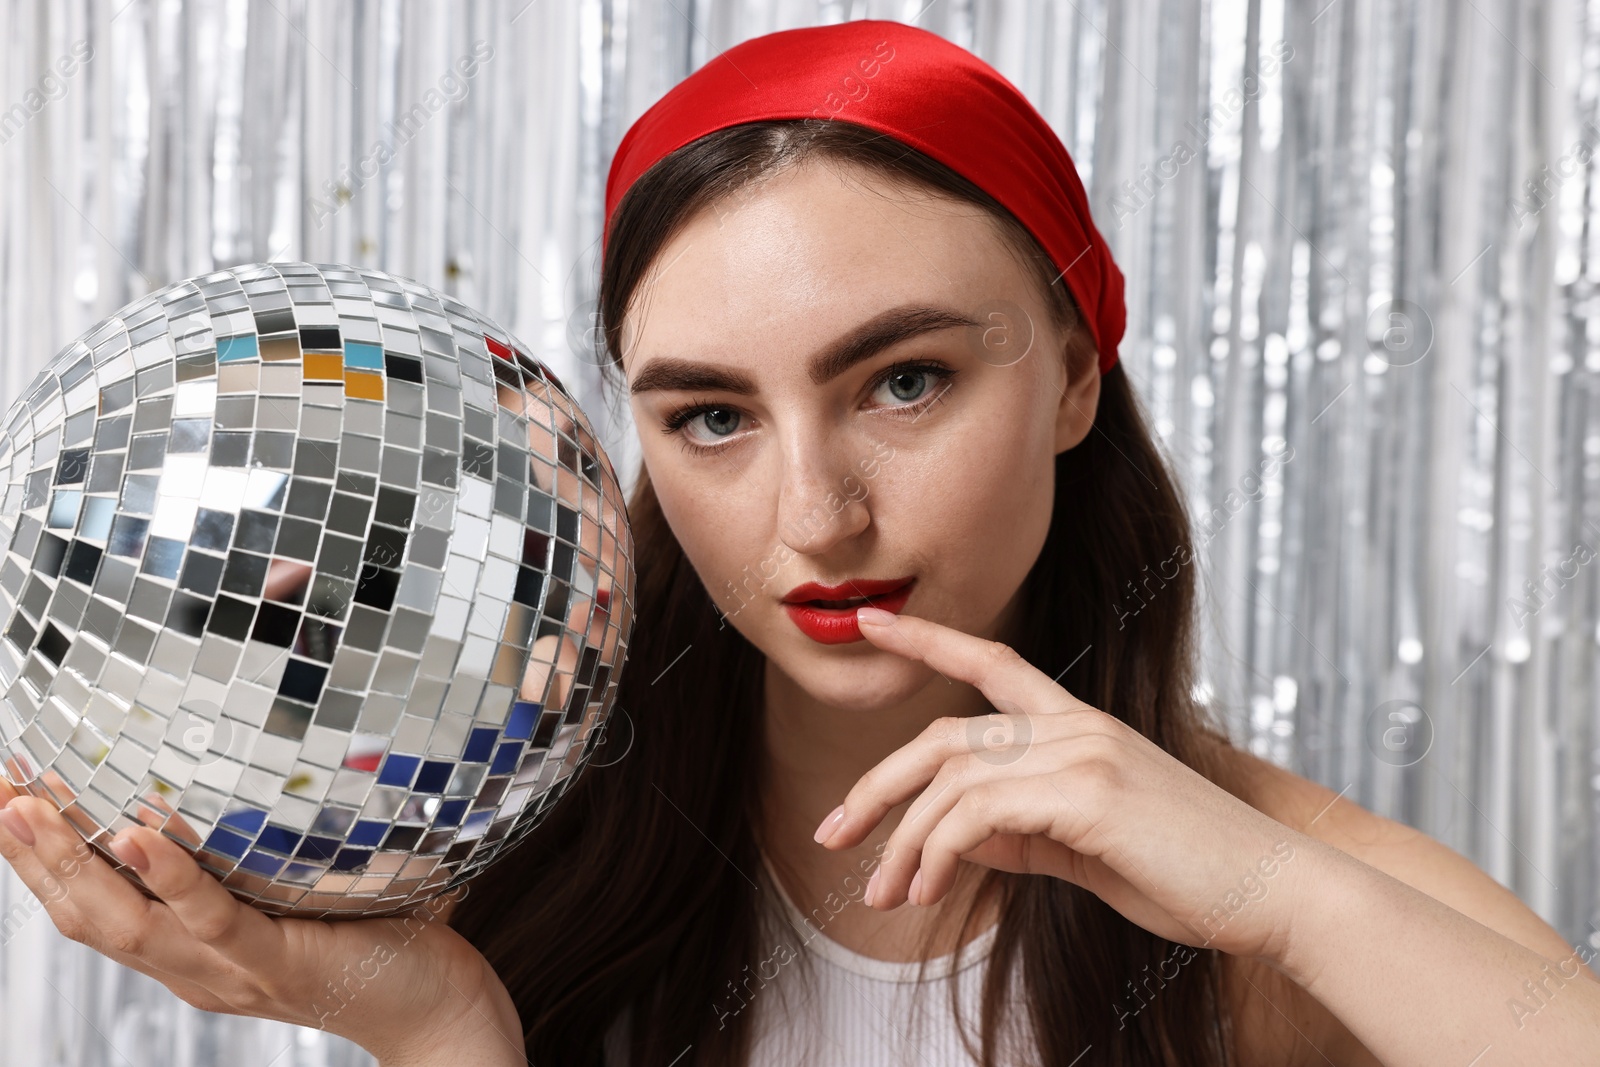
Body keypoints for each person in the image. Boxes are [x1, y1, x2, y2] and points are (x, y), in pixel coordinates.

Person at [1, 17, 1596, 1067]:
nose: (816, 519)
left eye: (905, 381)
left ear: (1072, 377)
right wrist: (440, 1036)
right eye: (711, 418)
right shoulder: (481, 855)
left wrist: (1277, 898)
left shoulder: (1281, 902)